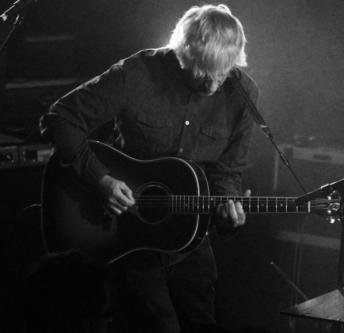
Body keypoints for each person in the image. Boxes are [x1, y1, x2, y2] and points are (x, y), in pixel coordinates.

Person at [40, 4, 258, 333]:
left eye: (222, 72)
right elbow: (60, 118)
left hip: (191, 239)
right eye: (202, 71)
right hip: (125, 233)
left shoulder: (243, 94)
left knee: (203, 323)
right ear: (182, 53)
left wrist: (228, 206)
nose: (212, 84)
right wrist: (102, 179)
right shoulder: (138, 72)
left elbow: (228, 171)